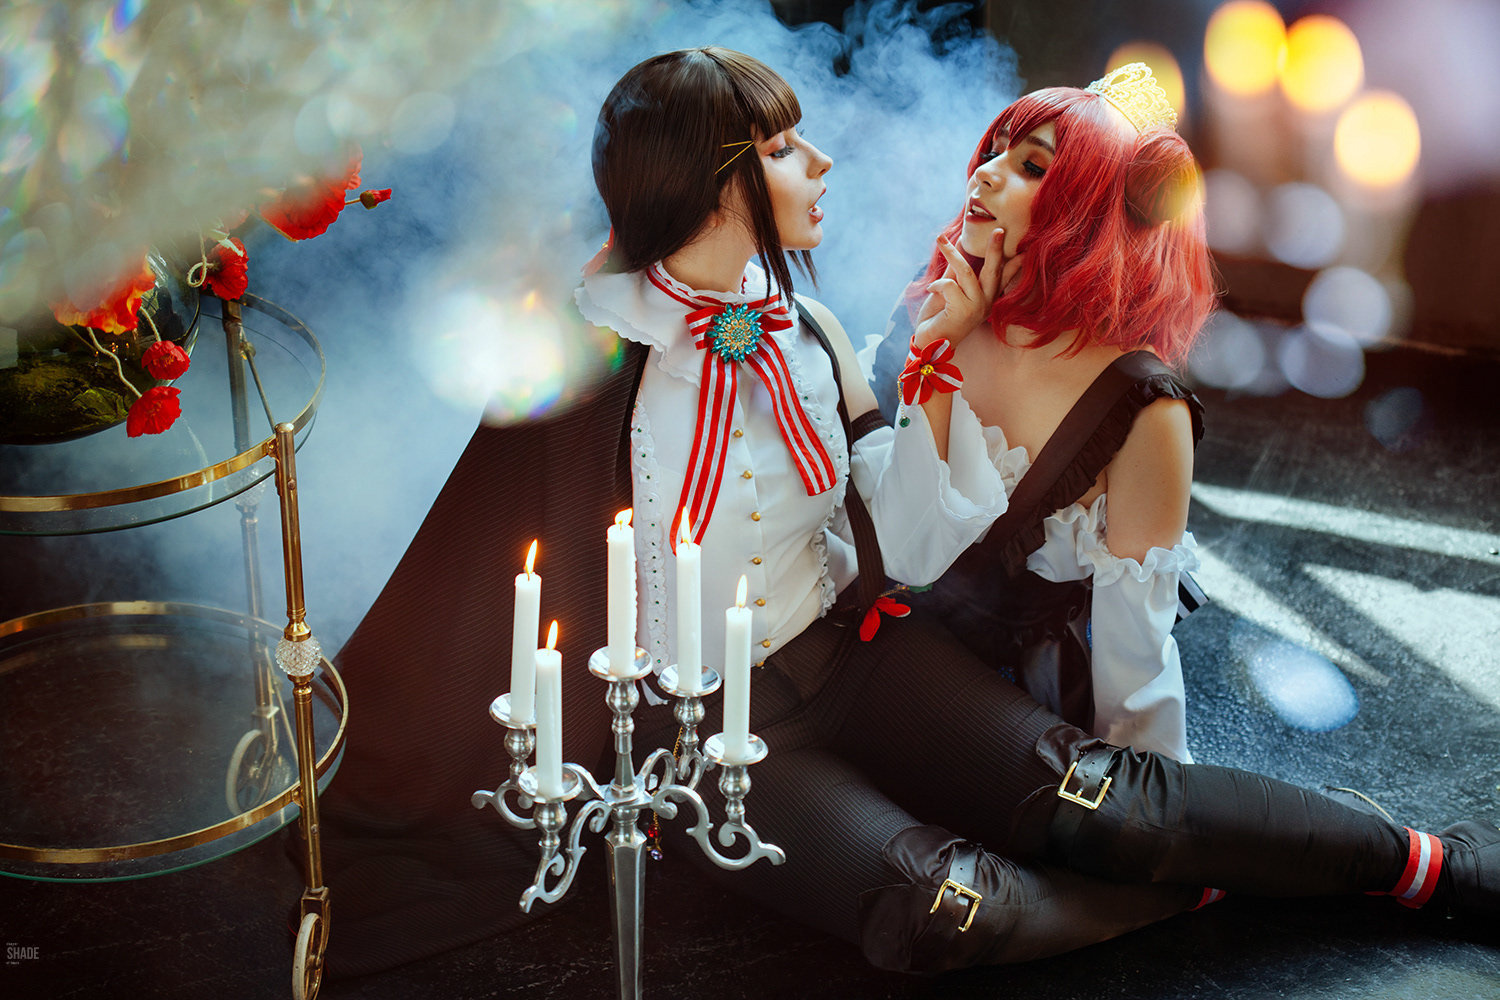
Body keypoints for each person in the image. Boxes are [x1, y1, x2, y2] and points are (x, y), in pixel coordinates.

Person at [316, 49, 1497, 979]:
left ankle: (1419, 863)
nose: (820, 161)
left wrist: (931, 372)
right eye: (784, 148)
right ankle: (1190, 885)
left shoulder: (813, 336)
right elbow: (489, 561)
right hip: (717, 741)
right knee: (942, 911)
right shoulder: (594, 358)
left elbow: (912, 547)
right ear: (717, 182)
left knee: (1112, 802)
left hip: (866, 658)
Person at [869, 65, 1212, 762]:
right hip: (881, 665)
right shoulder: (938, 311)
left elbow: (1134, 666)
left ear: (1090, 209)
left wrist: (1139, 809)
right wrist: (936, 350)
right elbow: (901, 547)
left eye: (1031, 166)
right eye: (993, 151)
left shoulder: (1144, 408)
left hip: (1024, 723)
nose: (984, 174)